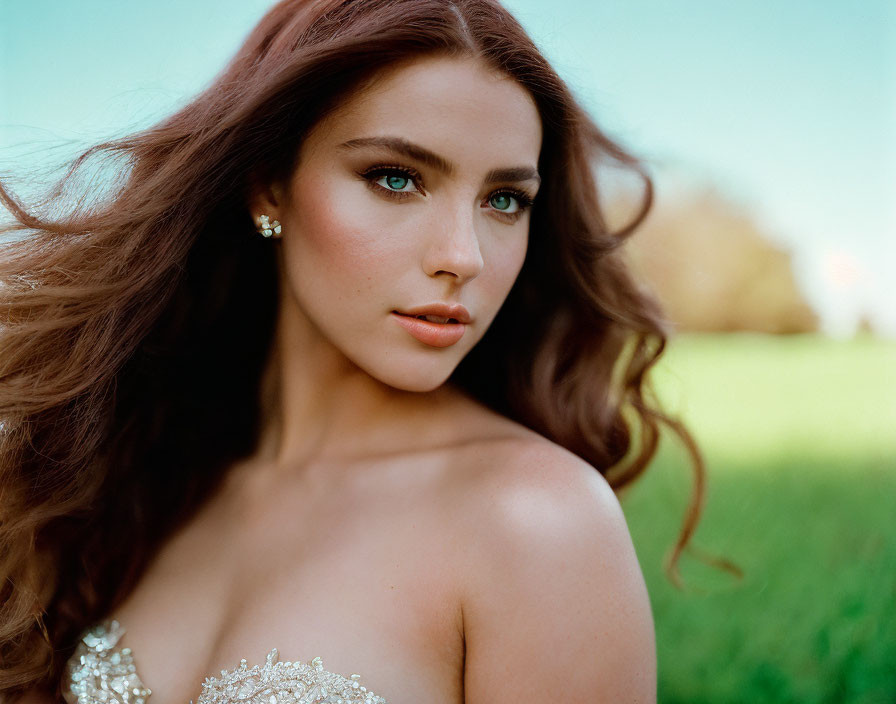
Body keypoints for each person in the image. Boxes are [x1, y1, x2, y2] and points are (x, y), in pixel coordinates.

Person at [0, 0, 706, 701]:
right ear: (268, 185)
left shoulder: (537, 520)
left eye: (504, 200)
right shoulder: (146, 480)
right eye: (396, 178)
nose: (463, 256)